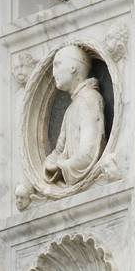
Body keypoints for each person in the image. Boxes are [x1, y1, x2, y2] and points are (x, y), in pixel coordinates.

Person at [44, 45, 105, 186]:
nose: (53, 73)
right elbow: (59, 150)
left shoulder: (89, 99)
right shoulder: (72, 108)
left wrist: (60, 166)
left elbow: (89, 154)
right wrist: (50, 162)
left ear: (73, 68)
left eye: (57, 65)